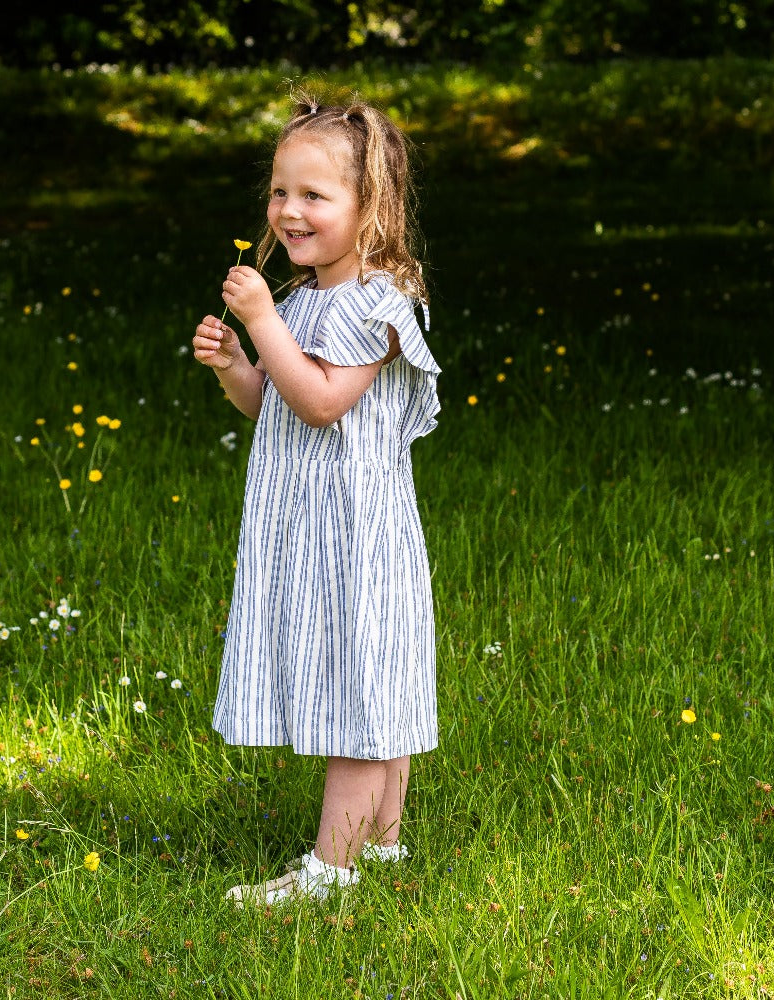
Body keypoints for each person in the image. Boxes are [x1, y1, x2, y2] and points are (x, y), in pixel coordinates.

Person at [192, 92, 441, 906]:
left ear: (368, 208)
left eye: (314, 195)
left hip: (357, 533)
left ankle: (332, 870)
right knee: (374, 682)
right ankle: (385, 844)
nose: (288, 211)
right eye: (278, 192)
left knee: (359, 690)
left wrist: (261, 320)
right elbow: (279, 406)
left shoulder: (376, 299)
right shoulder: (304, 298)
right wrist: (238, 363)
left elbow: (325, 400)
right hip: (318, 526)